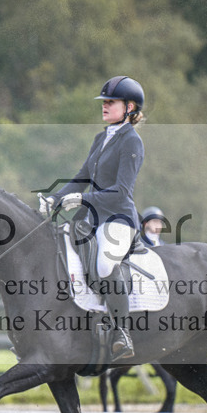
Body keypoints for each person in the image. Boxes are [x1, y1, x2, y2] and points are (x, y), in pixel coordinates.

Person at [39, 75, 145, 362]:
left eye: (111, 102)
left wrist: (84, 199)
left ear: (130, 107)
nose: (105, 106)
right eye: (104, 102)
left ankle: (122, 332)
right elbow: (81, 178)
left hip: (118, 219)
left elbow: (122, 192)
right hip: (91, 219)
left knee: (105, 262)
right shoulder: (102, 138)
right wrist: (55, 198)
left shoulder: (132, 142)